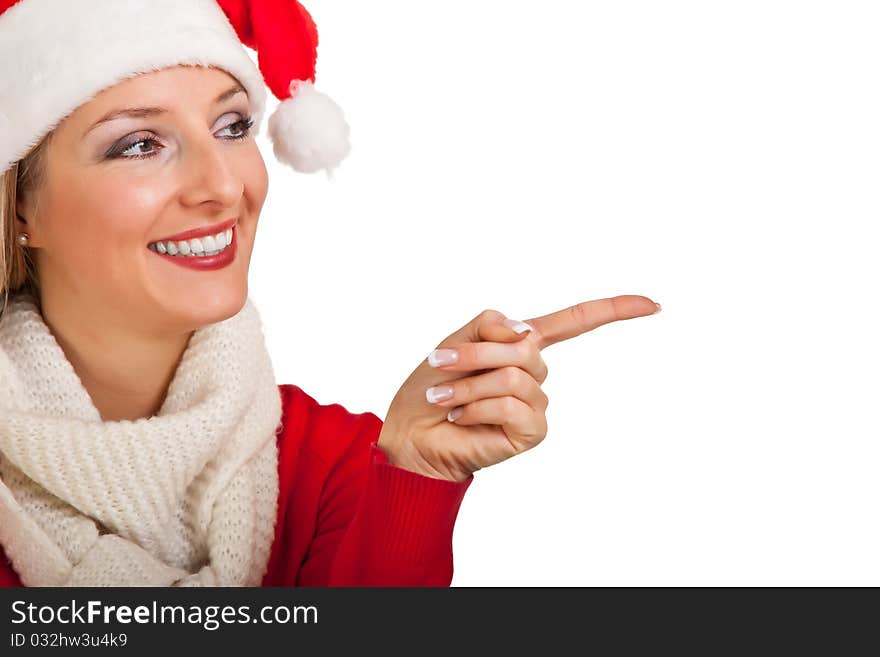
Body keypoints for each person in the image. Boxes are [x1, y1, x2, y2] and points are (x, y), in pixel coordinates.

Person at [0, 0, 660, 587]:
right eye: (141, 143)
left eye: (232, 127)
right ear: (22, 207)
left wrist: (417, 478)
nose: (223, 187)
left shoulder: (340, 468)